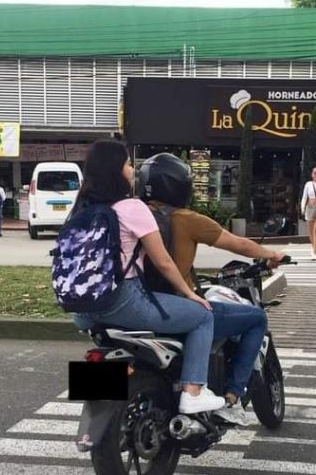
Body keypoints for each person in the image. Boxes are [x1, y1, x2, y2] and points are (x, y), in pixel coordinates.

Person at [69, 140, 225, 415]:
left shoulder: (79, 208)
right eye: (129, 164)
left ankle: (96, 413)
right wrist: (190, 295)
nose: (133, 171)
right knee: (202, 317)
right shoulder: (132, 208)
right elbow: (163, 262)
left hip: (80, 310)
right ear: (116, 170)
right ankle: (193, 392)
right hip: (123, 302)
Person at [138, 153, 287, 425]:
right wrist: (270, 255)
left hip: (131, 306)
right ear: (180, 186)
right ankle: (232, 397)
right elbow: (237, 244)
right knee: (256, 319)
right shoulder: (186, 218)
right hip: (171, 307)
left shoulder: (131, 214)